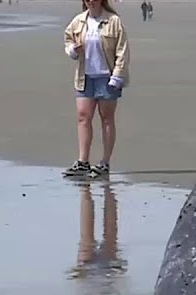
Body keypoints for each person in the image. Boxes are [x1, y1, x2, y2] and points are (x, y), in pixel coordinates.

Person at [62, 0, 130, 179]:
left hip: (107, 77)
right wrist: (73, 50)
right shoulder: (78, 21)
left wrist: (117, 76)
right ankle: (83, 162)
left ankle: (104, 163)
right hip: (85, 77)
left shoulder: (114, 21)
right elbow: (68, 39)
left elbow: (122, 51)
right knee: (83, 116)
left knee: (106, 118)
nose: (90, 1)